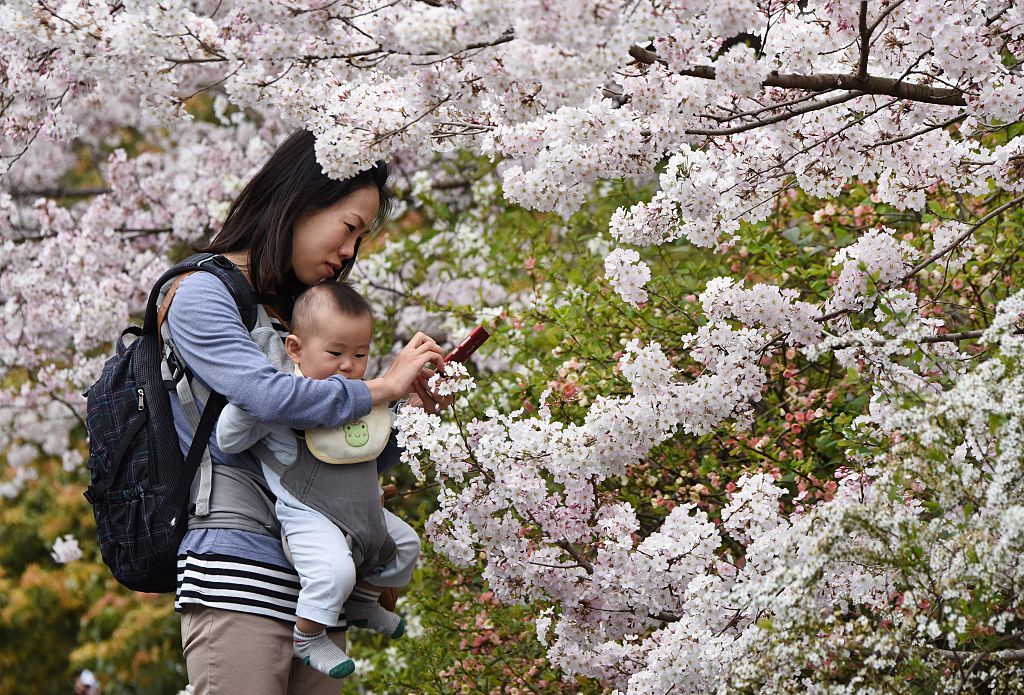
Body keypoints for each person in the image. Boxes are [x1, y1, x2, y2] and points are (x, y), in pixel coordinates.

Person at [164, 130, 448, 694]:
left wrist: (410, 408)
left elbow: (336, 448)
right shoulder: (201, 293)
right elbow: (267, 398)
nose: (349, 253)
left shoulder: (301, 312)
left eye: (359, 238)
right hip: (238, 568)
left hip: (320, 580)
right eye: (348, 229)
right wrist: (381, 388)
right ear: (298, 203)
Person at [215, 282, 419, 679]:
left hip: (361, 507)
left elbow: (375, 447)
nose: (348, 366)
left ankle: (362, 602)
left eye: (360, 354)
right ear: (295, 350)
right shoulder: (283, 395)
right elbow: (229, 439)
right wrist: (257, 400)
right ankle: (308, 637)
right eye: (335, 353)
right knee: (333, 572)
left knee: (406, 547)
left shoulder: (363, 395)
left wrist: (415, 408)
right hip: (308, 514)